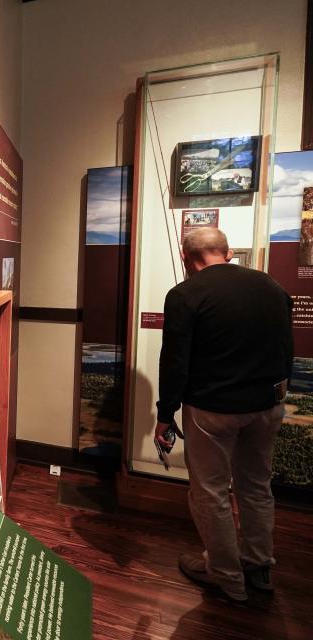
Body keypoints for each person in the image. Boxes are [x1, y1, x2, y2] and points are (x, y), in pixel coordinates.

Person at [155, 227, 293, 602]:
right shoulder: (272, 287)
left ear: (187, 258)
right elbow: (286, 350)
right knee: (256, 486)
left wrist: (165, 414)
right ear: (228, 252)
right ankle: (258, 565)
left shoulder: (185, 294)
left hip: (212, 410)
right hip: (267, 407)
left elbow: (175, 363)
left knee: (211, 492)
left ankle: (226, 576)